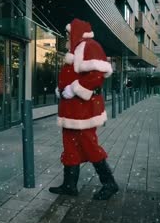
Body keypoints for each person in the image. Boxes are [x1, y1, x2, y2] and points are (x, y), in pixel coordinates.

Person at [49, 18, 119, 200]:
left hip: (84, 108)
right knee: (69, 145)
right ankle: (70, 185)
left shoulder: (90, 46)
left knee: (89, 145)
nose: (65, 37)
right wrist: (62, 89)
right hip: (71, 108)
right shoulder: (74, 51)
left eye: (67, 34)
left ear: (75, 33)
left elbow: (97, 76)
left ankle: (109, 183)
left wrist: (74, 89)